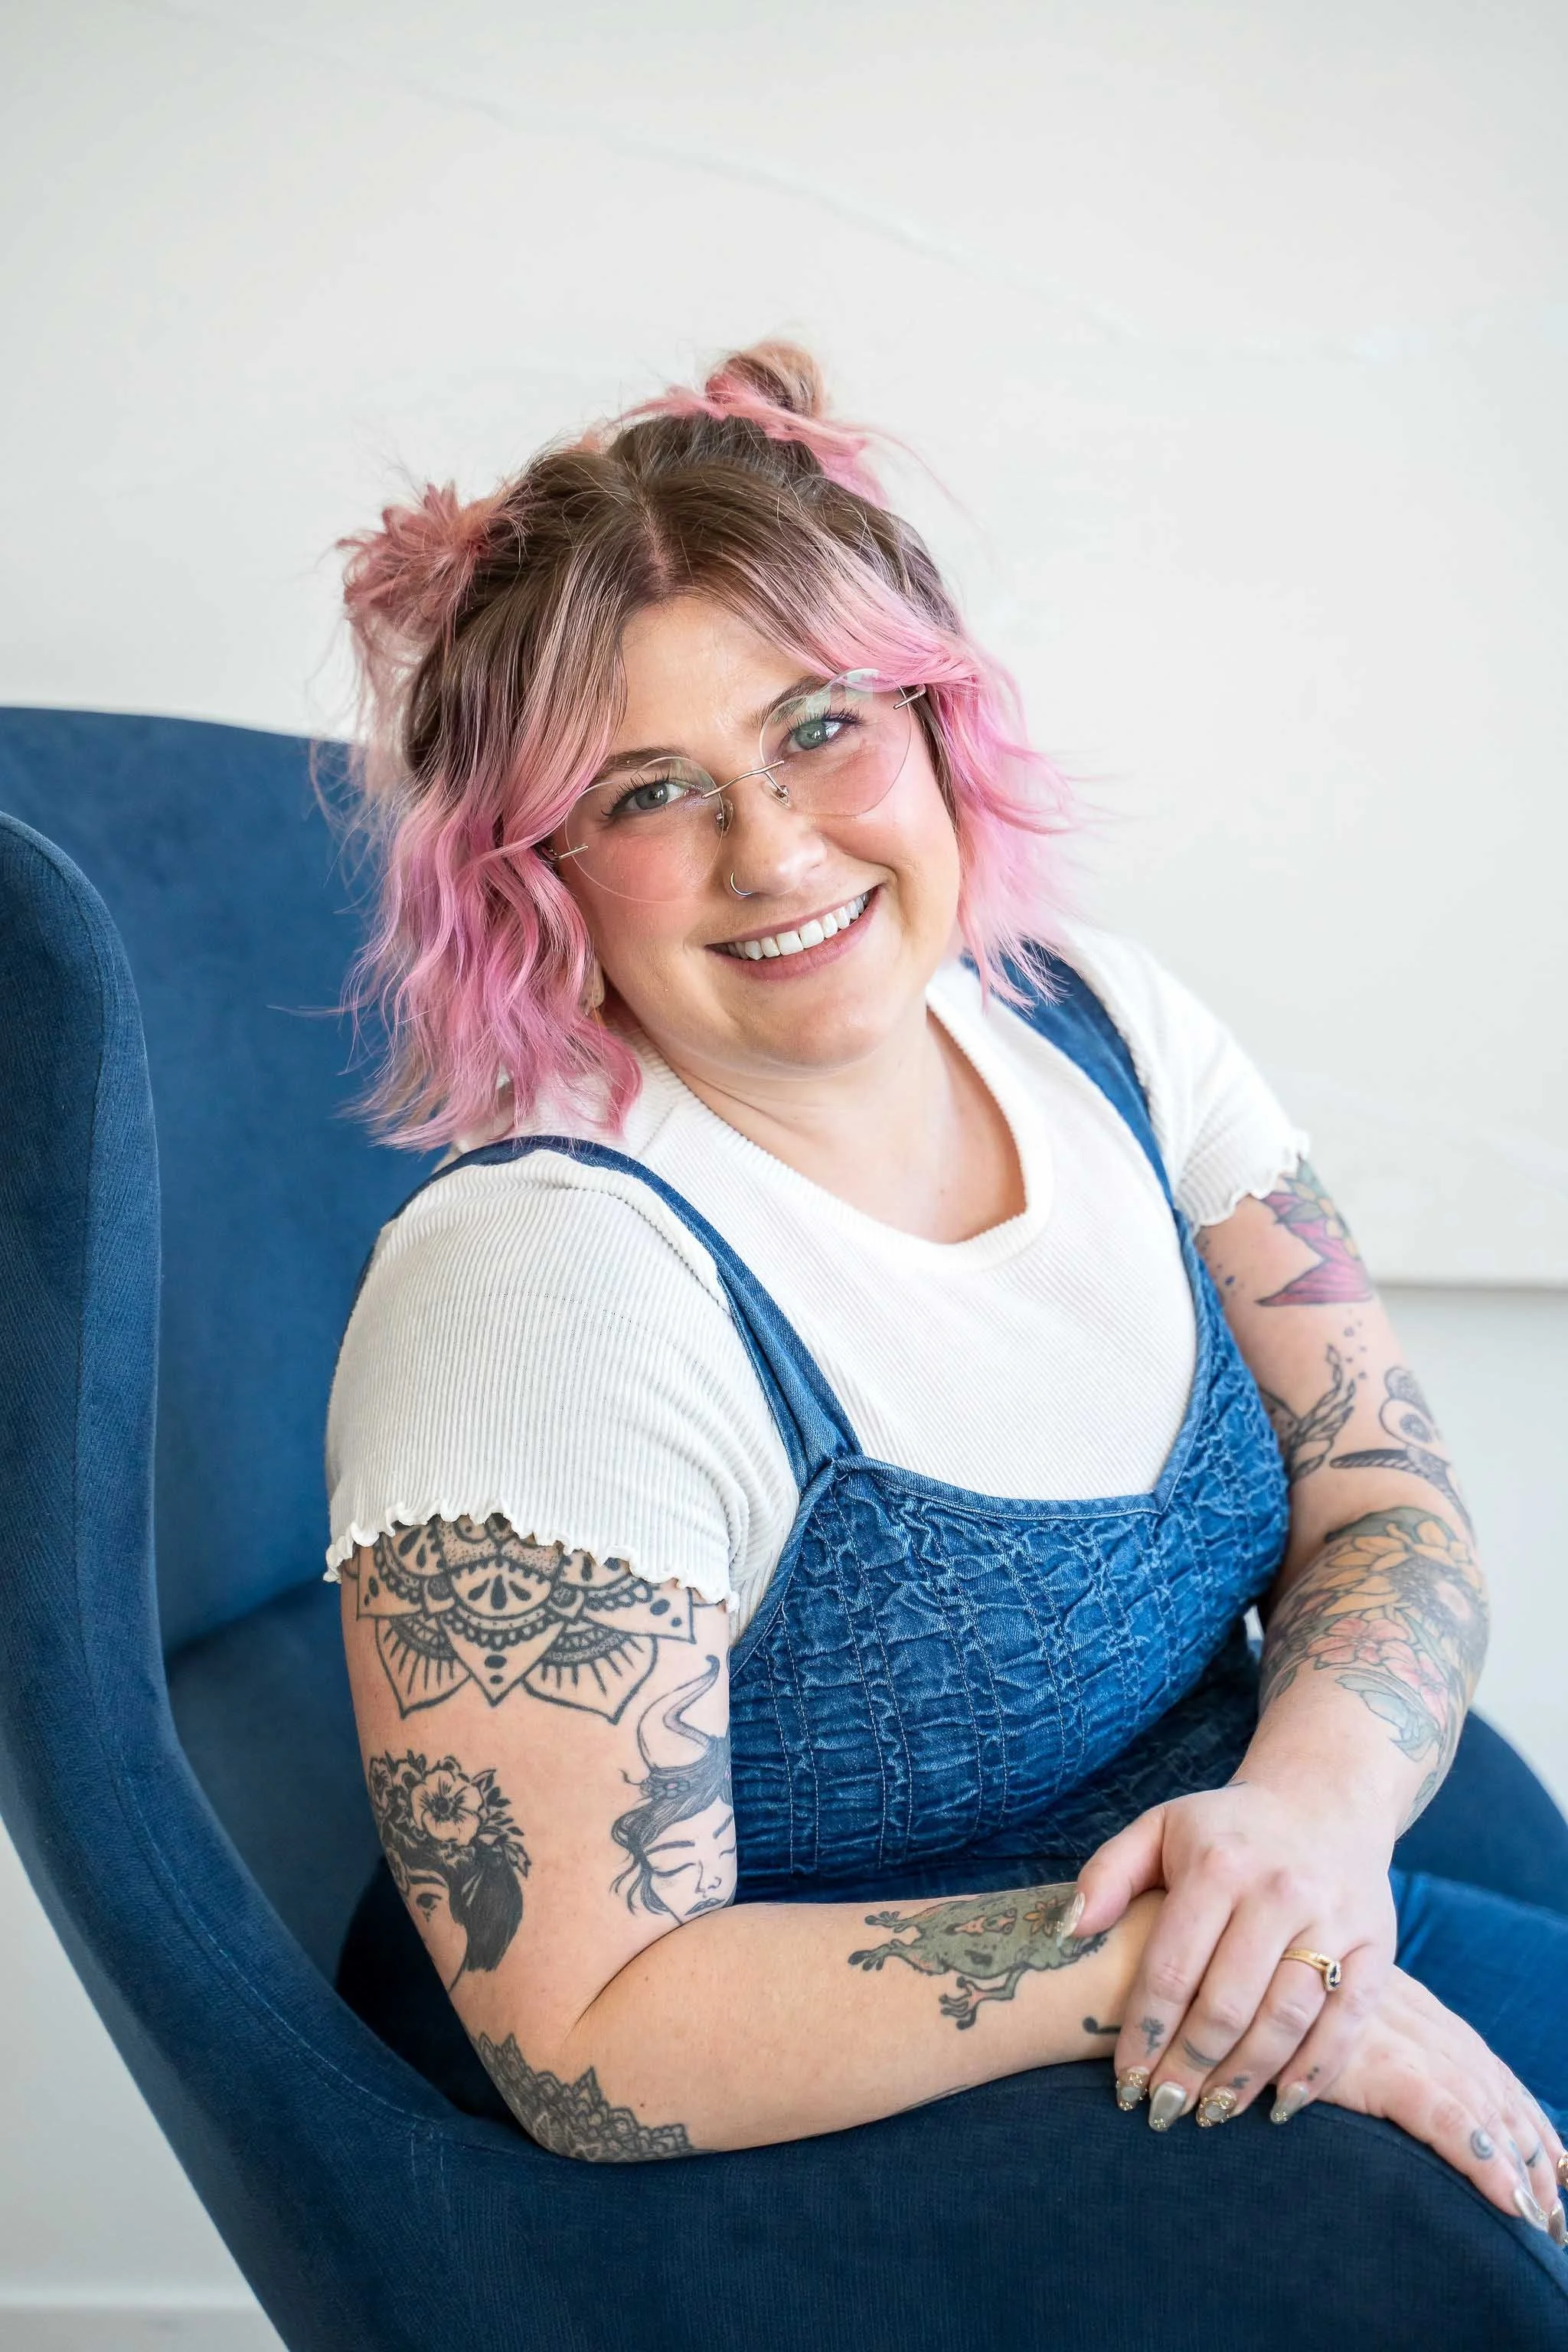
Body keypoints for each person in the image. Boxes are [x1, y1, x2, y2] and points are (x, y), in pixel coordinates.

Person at [323, 341, 1568, 2226]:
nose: (774, 850)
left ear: (933, 720)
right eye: (649, 793)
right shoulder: (546, 1292)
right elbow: (589, 2040)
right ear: (536, 871)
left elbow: (1383, 1499)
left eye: (820, 726)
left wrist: (1308, 1828)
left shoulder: (1103, 1028)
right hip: (830, 2157)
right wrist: (1196, 1967)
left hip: (1237, 1930)